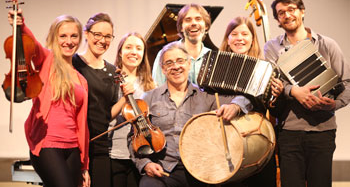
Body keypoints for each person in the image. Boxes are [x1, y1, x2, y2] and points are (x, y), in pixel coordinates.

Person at [131, 41, 253, 187]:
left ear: (189, 64)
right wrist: (145, 164)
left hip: (200, 171)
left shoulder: (207, 97)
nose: (175, 67)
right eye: (169, 63)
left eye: (180, 61)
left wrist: (235, 106)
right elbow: (133, 138)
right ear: (163, 69)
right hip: (162, 169)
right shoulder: (148, 99)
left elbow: (247, 98)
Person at [264, 0, 350, 187]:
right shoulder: (271, 48)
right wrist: (293, 91)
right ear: (277, 19)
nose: (287, 15)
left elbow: (347, 82)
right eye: (281, 12)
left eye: (291, 9)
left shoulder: (327, 44)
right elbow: (272, 84)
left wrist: (335, 104)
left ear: (302, 11)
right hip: (289, 131)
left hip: (322, 131)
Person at [8, 10, 90, 187]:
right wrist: (21, 25)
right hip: (48, 145)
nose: (69, 41)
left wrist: (84, 165)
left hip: (73, 148)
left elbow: (82, 125)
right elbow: (32, 45)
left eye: (74, 36)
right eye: (63, 36)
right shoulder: (47, 60)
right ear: (54, 37)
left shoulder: (82, 80)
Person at [219, 16, 284, 187]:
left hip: (257, 144)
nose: (239, 38)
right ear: (228, 39)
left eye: (244, 34)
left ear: (252, 39)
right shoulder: (218, 67)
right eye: (234, 34)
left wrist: (277, 96)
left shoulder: (264, 68)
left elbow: (268, 103)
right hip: (227, 144)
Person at [72, 13, 120, 187]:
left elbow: (107, 115)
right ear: (86, 33)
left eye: (107, 36)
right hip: (75, 145)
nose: (102, 40)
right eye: (97, 34)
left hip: (100, 147)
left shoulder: (113, 71)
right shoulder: (73, 63)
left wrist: (125, 100)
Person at [108, 32, 156, 187]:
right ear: (120, 51)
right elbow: (105, 117)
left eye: (138, 48)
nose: (134, 52)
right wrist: (124, 97)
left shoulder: (150, 85)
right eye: (128, 47)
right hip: (116, 152)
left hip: (142, 152)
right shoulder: (110, 80)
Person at [152, 3, 211, 85]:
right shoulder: (165, 54)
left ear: (206, 26)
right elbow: (157, 91)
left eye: (198, 19)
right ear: (181, 27)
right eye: (188, 20)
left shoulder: (213, 58)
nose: (193, 23)